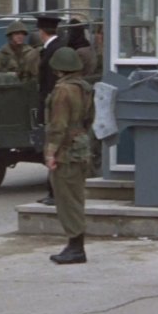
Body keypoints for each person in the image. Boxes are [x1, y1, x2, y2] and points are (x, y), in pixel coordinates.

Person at [44, 46, 94, 265]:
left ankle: (76, 247)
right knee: (76, 197)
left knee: (66, 199)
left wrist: (50, 152)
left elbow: (57, 125)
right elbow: (89, 119)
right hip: (81, 144)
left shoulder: (63, 90)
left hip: (66, 149)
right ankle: (75, 245)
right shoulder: (84, 88)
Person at [36, 13, 65, 205]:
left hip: (54, 106)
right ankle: (52, 191)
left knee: (54, 148)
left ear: (41, 31)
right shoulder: (58, 48)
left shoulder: (52, 50)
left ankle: (54, 193)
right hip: (55, 104)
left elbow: (49, 82)